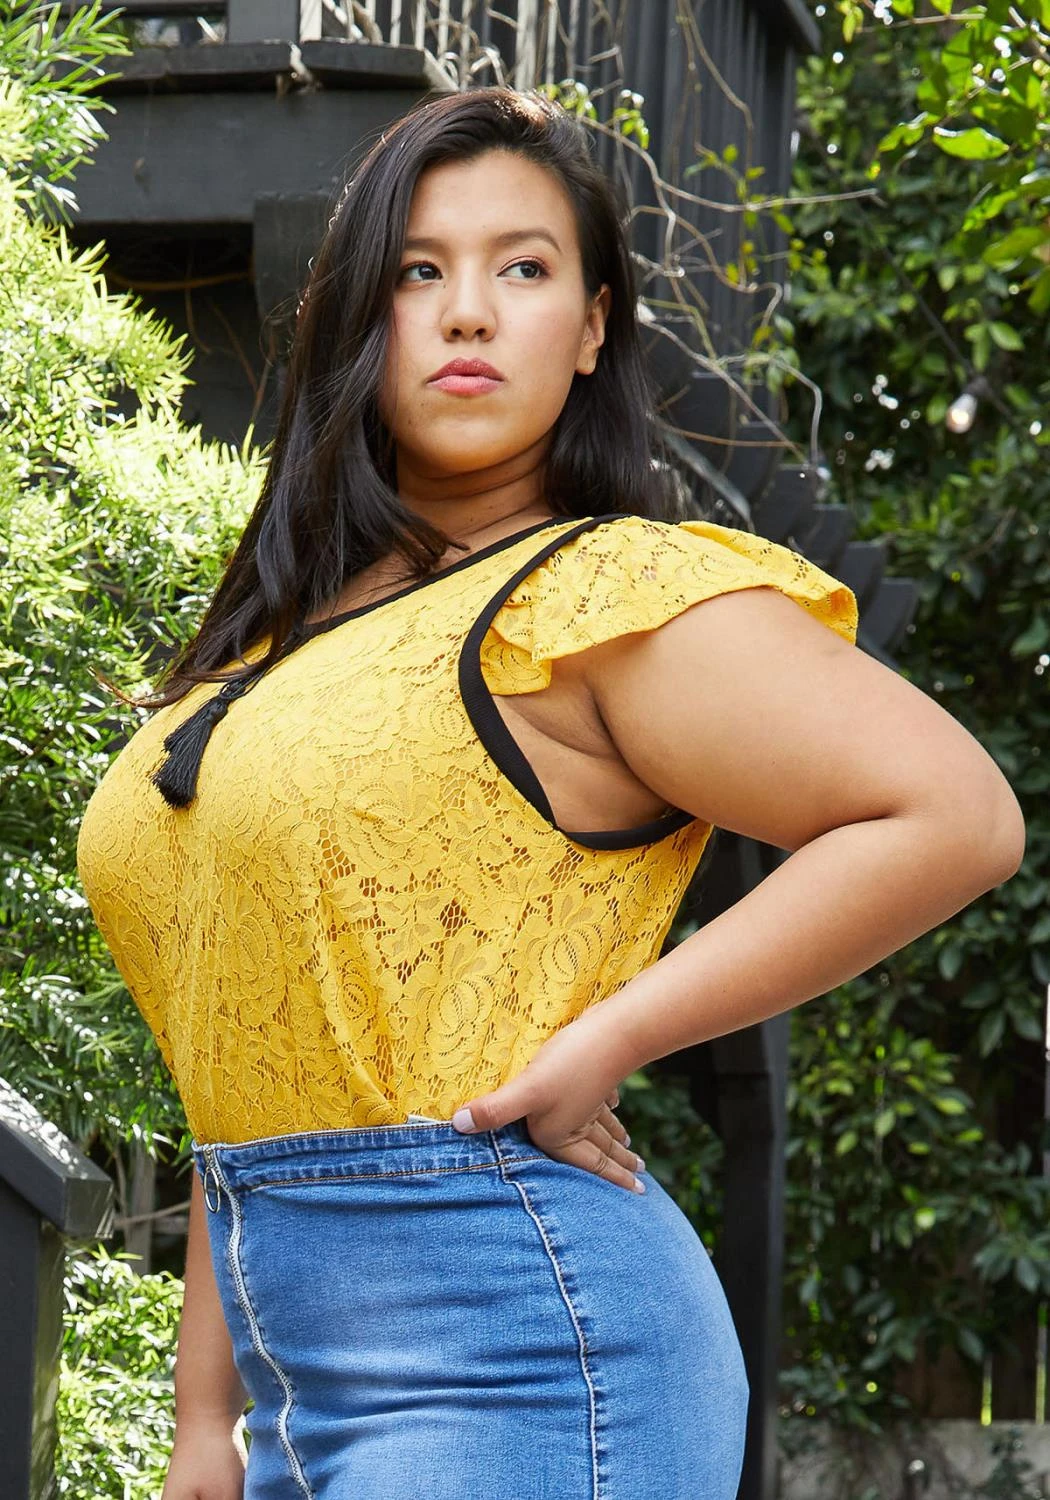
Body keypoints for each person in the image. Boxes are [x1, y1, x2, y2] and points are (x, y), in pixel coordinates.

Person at [75, 86, 1025, 1500]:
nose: (467, 313)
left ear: (590, 329)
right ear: (359, 314)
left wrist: (611, 1035)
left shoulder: (597, 594)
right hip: (284, 1368)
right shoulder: (274, 647)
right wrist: (201, 1419)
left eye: (522, 269)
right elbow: (248, 1038)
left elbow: (954, 814)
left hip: (519, 1338)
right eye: (419, 270)